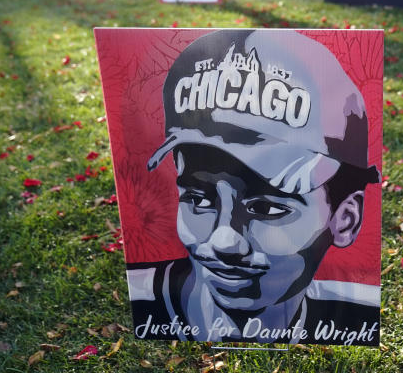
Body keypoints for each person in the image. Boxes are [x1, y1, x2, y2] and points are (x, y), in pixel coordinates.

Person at [127, 30, 381, 345]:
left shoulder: (357, 314)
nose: (225, 242)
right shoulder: (144, 301)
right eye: (199, 200)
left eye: (267, 208)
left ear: (345, 219)